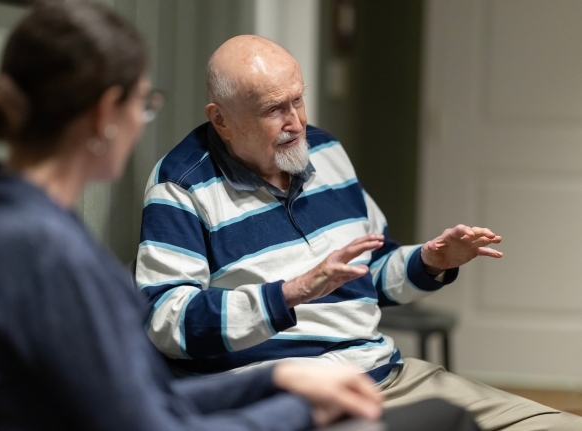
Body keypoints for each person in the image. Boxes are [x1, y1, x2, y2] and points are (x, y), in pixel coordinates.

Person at [0, 3, 394, 430]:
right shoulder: (34, 247)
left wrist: (277, 381)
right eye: (143, 104)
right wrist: (301, 410)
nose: (141, 122)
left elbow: (144, 398)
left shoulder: (7, 221)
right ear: (104, 115)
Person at [136, 35, 582, 430]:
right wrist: (290, 292)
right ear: (222, 120)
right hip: (287, 401)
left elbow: (371, 273)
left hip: (382, 375)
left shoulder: (326, 152)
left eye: (298, 100)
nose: (295, 122)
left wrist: (430, 261)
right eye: (274, 109)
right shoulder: (181, 187)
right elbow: (167, 322)